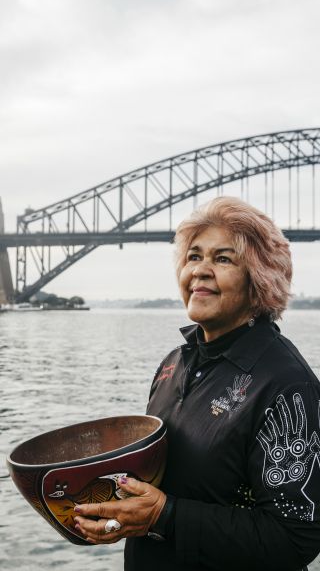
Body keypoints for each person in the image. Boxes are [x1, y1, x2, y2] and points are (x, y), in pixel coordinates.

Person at [74, 196, 320, 571]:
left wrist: (164, 516)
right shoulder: (174, 364)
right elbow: (165, 486)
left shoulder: (286, 385)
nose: (201, 270)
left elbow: (296, 537)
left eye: (223, 259)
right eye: (193, 256)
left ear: (260, 278)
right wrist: (116, 513)